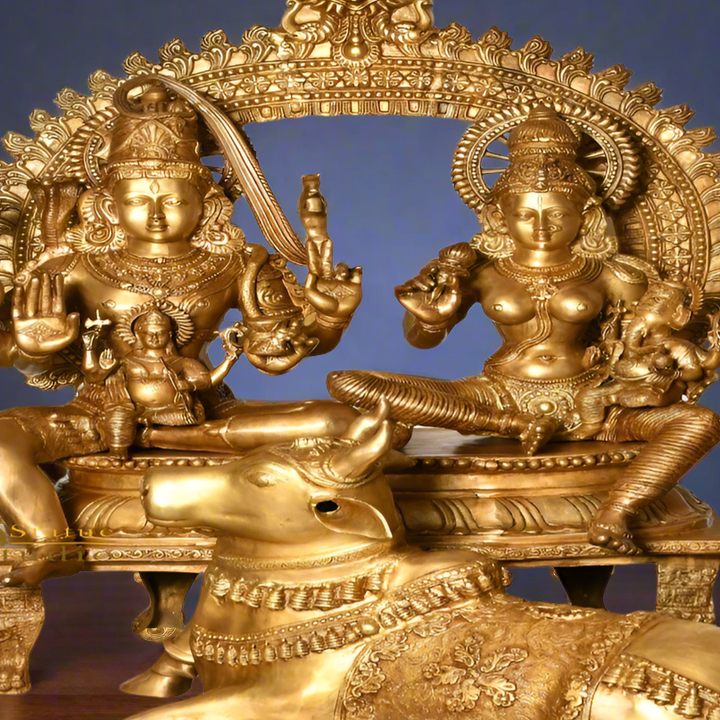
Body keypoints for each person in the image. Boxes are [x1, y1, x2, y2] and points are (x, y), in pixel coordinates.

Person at [0, 82, 361, 586]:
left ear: (205, 205)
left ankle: (167, 438)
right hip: (96, 413)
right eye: (137, 201)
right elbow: (14, 350)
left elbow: (277, 352)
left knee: (342, 422)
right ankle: (50, 541)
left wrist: (329, 318)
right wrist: (30, 350)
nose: (154, 215)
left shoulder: (238, 264)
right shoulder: (72, 266)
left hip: (204, 412)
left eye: (172, 200)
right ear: (108, 207)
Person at [328, 105, 720, 555]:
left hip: (594, 405)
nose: (541, 227)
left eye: (557, 214)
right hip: (497, 397)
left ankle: (616, 512)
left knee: (701, 423)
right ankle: (515, 425)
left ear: (586, 215)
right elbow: (421, 340)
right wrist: (430, 318)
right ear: (500, 216)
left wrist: (660, 365)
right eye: (526, 215)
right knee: (348, 382)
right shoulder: (481, 270)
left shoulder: (614, 274)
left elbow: (646, 343)